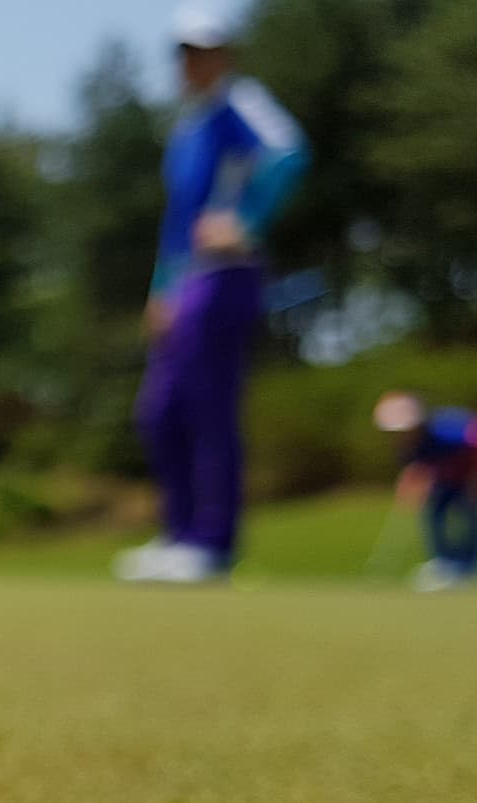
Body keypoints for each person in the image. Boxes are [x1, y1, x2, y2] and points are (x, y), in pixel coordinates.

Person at [116, 5, 308, 585]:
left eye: (203, 51)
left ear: (224, 55)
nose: (192, 62)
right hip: (184, 285)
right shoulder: (187, 127)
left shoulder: (238, 101)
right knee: (160, 412)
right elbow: (176, 222)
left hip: (226, 275)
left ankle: (212, 544)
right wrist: (160, 291)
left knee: (208, 408)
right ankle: (178, 536)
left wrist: (245, 220)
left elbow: (290, 153)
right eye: (184, 52)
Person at [373, 392, 477, 591]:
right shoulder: (407, 444)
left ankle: (470, 569)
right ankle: (444, 565)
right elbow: (419, 466)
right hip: (453, 473)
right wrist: (410, 484)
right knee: (433, 509)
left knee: (471, 509)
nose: (398, 434)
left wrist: (476, 484)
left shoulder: (445, 429)